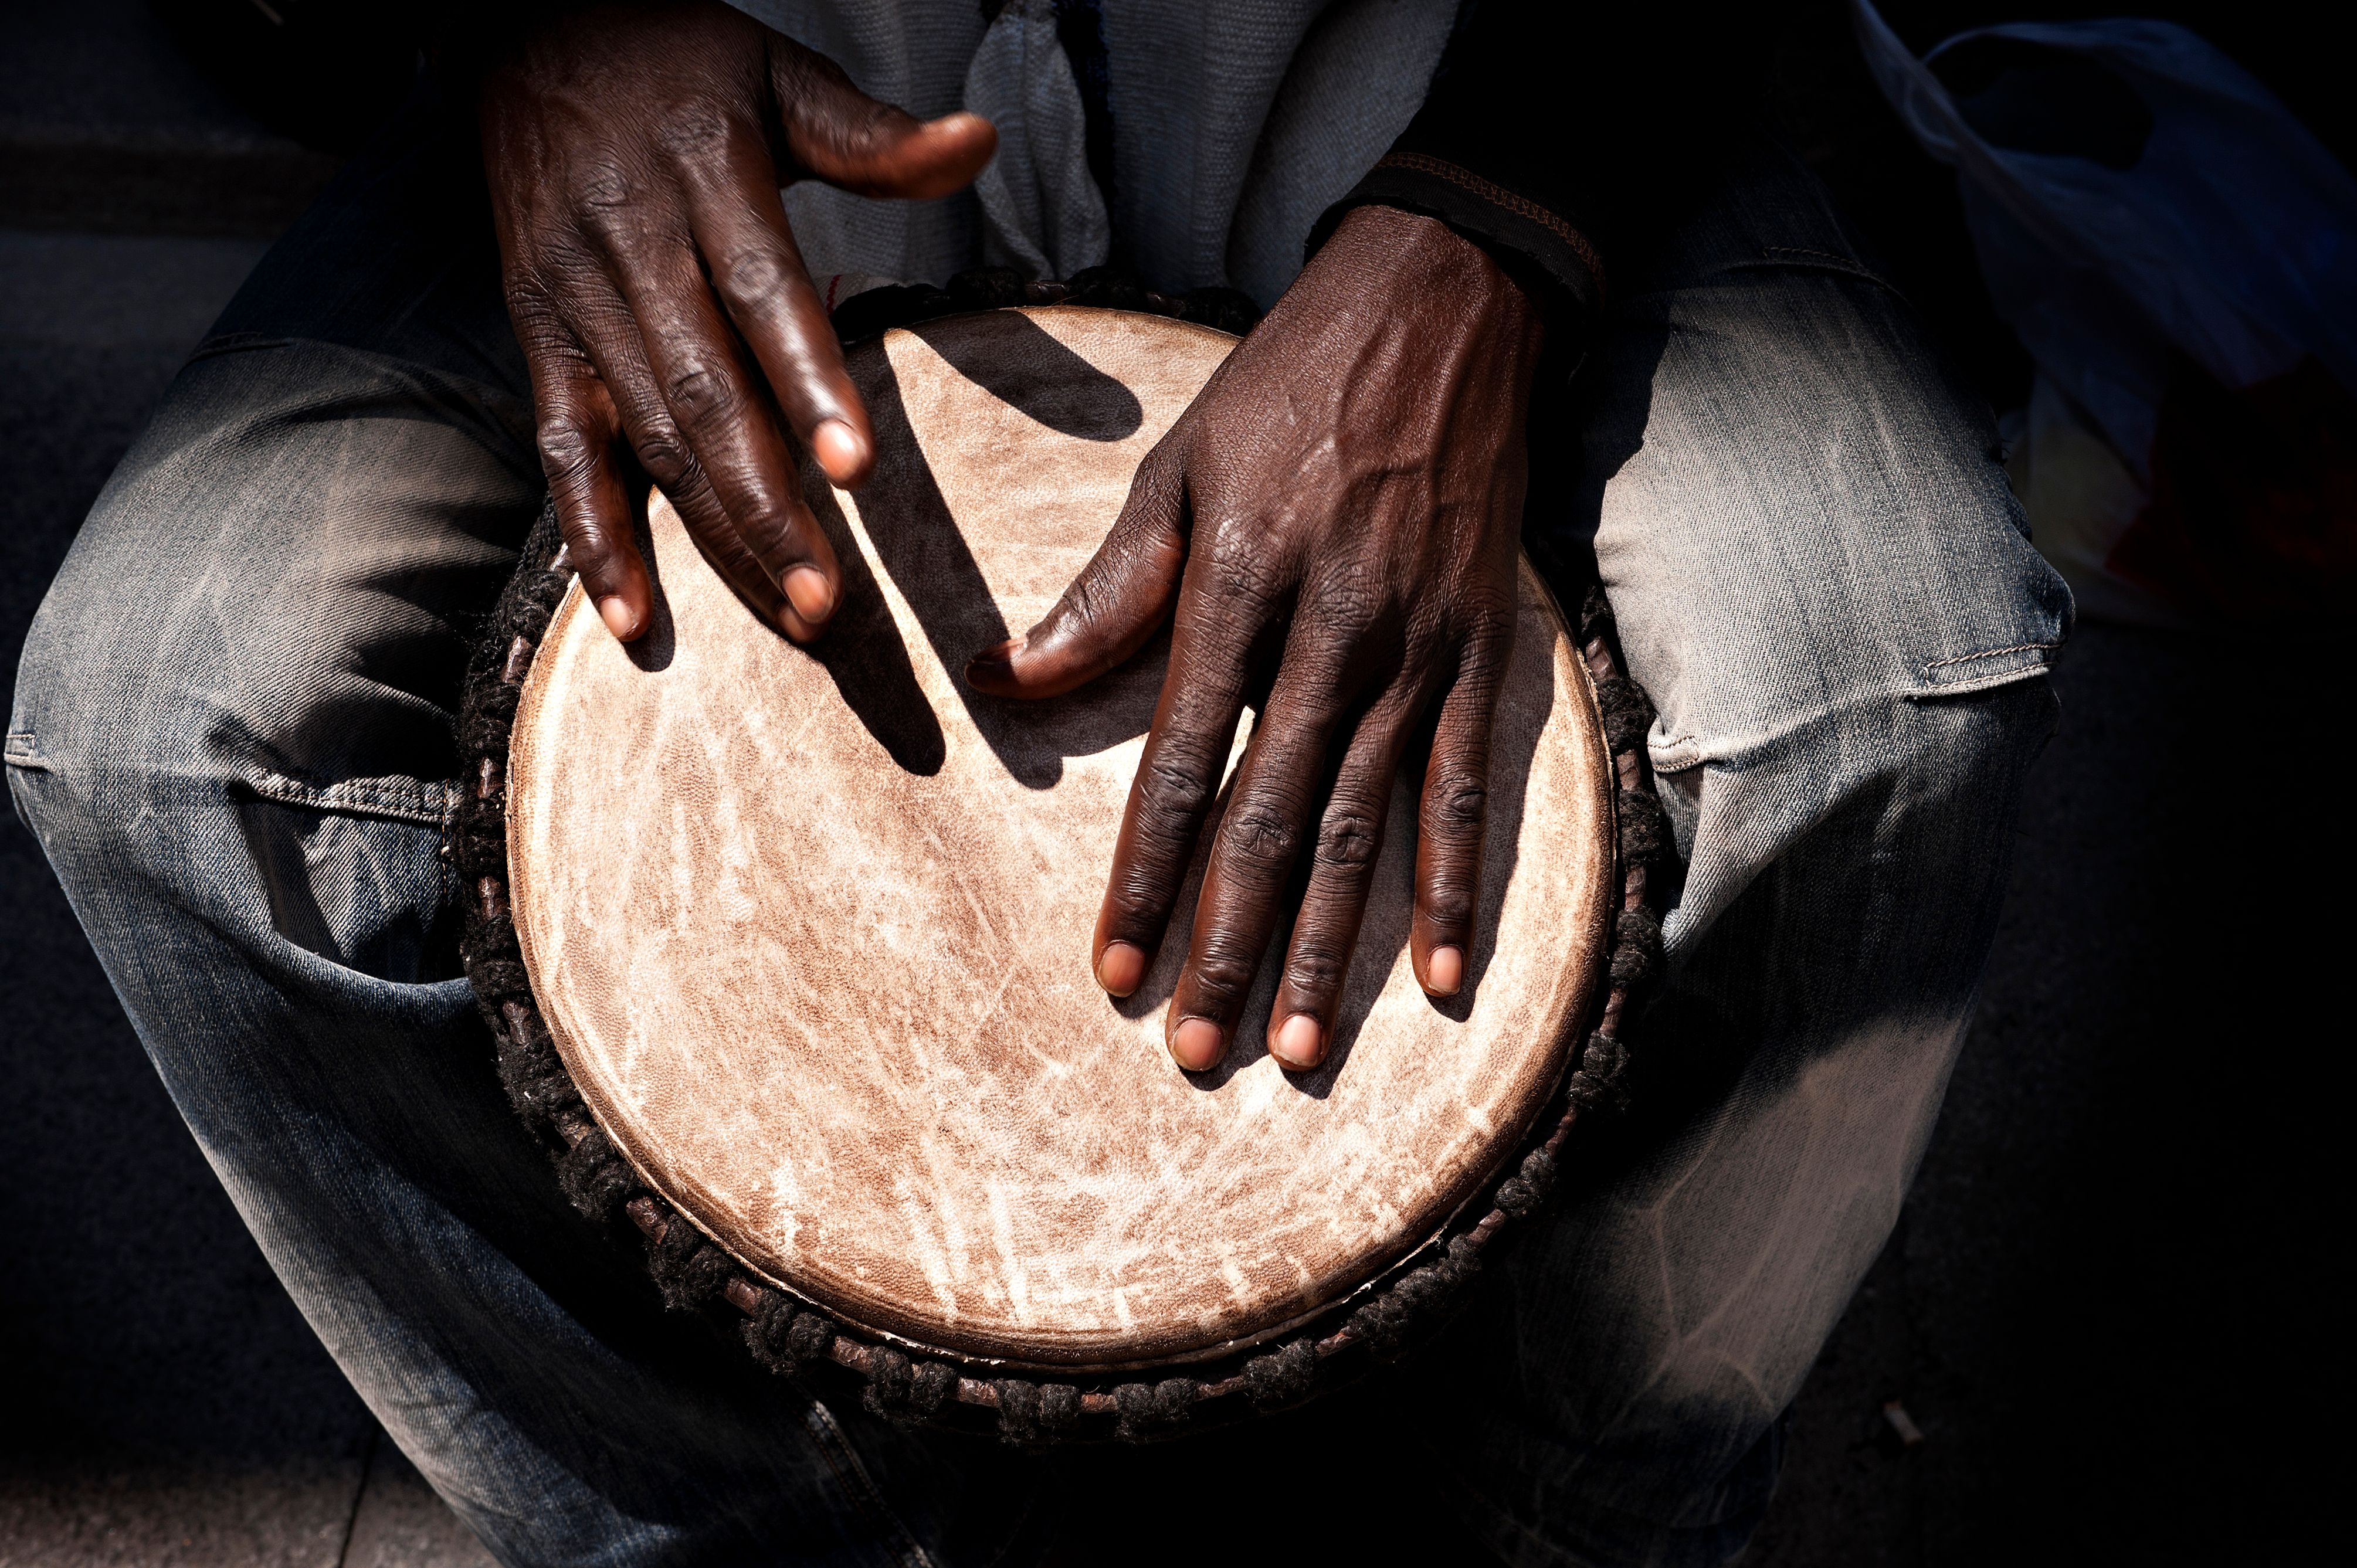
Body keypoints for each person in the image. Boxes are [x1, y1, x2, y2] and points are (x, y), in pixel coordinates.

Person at [6, 1, 2071, 1562]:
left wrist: (1501, 214)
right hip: (704, 112)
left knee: (1884, 677)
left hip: (1455, 84)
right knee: (163, 724)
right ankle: (766, 1528)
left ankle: (1559, 1518)